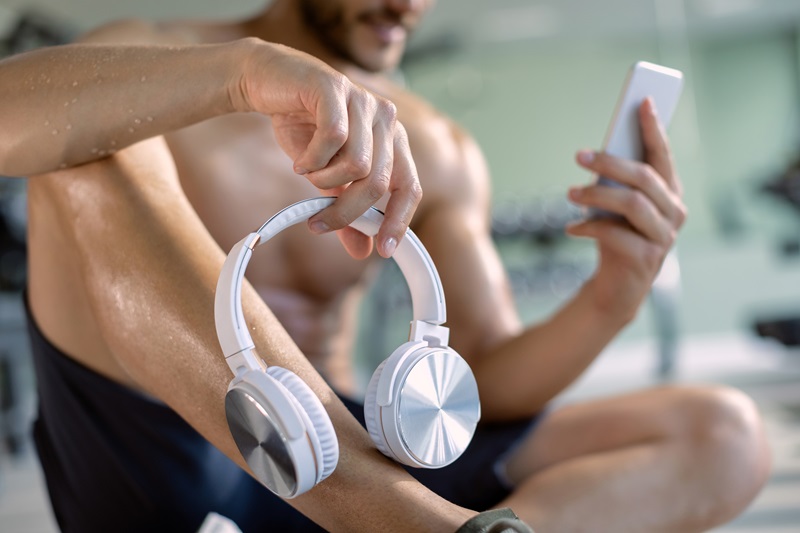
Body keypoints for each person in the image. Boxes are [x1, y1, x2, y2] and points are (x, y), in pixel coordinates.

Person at [0, 0, 771, 531]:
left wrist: (615, 292)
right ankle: (401, 521)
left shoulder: (434, 146)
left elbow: (487, 378)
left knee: (725, 433)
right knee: (84, 145)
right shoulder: (152, 56)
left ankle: (429, 524)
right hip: (163, 457)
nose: (408, 3)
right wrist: (244, 73)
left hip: (358, 445)